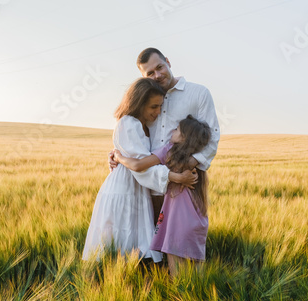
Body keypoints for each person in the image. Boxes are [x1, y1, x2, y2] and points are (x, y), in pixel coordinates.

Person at [82, 78, 198, 262]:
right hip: (125, 188)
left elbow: (142, 159)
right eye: (153, 107)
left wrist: (117, 155)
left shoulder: (145, 124)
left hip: (137, 187)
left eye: (160, 106)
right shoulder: (128, 123)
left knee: (133, 245)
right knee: (119, 241)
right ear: (138, 103)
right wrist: (174, 177)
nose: (158, 112)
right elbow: (140, 166)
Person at [110, 47, 220, 225]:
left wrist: (188, 164)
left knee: (182, 240)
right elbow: (133, 133)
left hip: (185, 184)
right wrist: (117, 153)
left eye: (160, 67)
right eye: (150, 73)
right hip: (148, 187)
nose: (157, 75)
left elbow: (212, 136)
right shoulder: (146, 99)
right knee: (152, 241)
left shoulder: (198, 93)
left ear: (168, 62)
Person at [114, 115, 211, 275]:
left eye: (177, 129)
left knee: (176, 276)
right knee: (197, 276)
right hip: (198, 221)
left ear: (184, 137)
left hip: (176, 221)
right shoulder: (198, 161)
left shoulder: (169, 151)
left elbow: (138, 165)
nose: (173, 130)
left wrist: (118, 156)